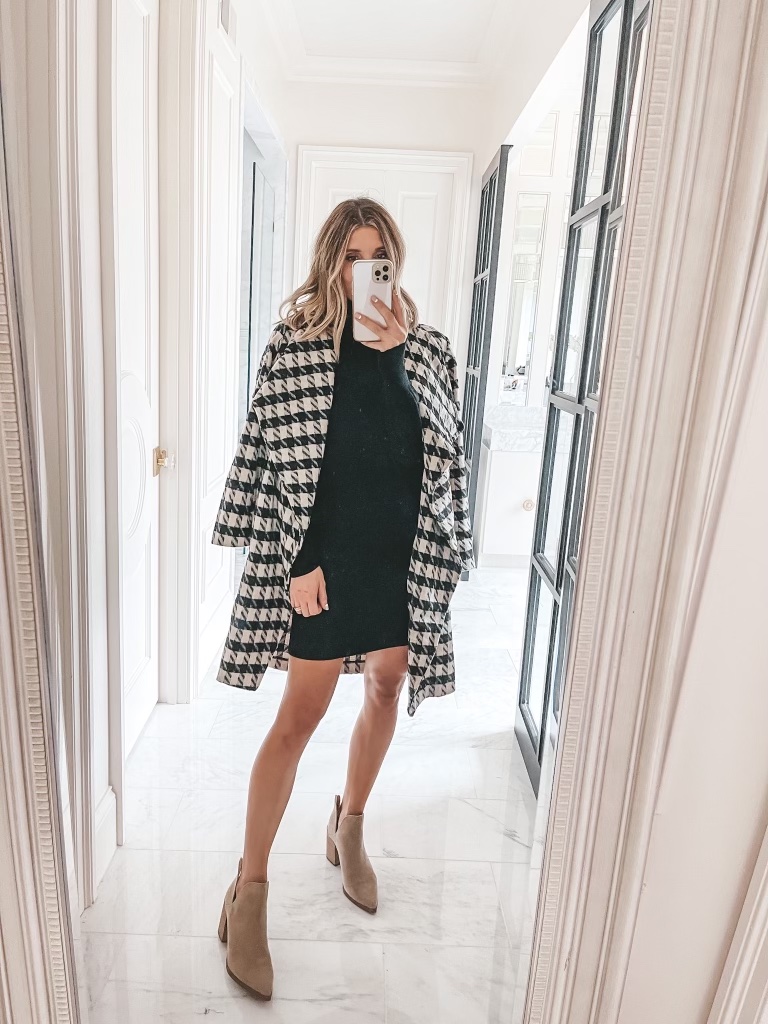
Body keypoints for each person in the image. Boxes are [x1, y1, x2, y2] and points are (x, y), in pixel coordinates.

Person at [212, 197, 474, 1000]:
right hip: (324, 562)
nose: (365, 269)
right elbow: (271, 462)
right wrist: (299, 560)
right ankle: (249, 889)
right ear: (332, 260)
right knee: (300, 715)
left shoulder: (428, 349)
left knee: (387, 686)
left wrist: (394, 362)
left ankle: (348, 822)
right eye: (351, 255)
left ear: (394, 260)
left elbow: (445, 453)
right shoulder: (293, 346)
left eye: (377, 254)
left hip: (398, 556)